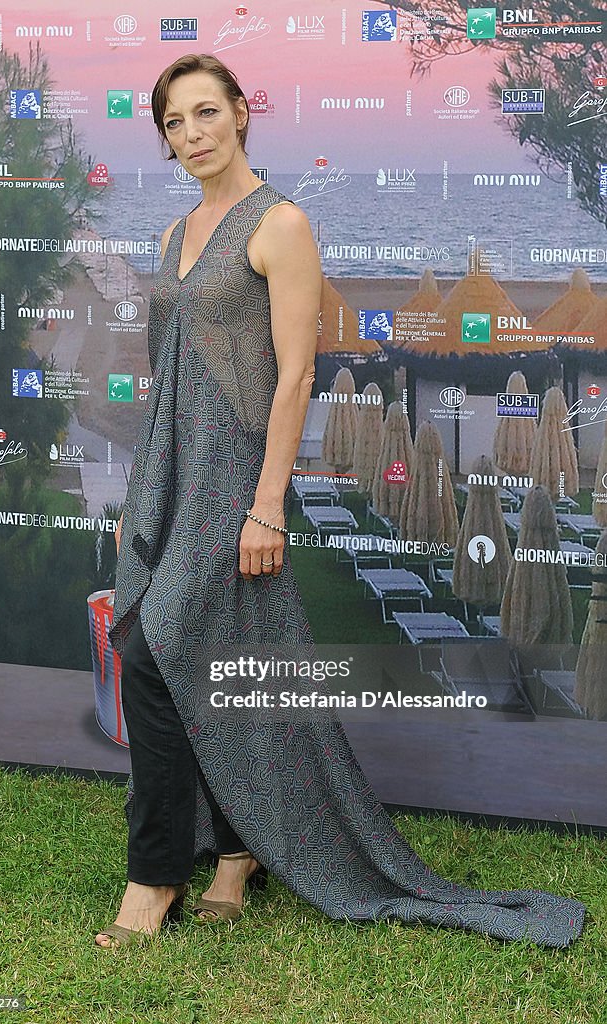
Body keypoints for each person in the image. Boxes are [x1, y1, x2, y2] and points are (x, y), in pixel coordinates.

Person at [95, 53, 586, 949]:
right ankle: (237, 854)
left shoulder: (279, 224)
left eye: (207, 113)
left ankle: (155, 875)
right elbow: (168, 376)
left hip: (236, 475)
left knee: (152, 655)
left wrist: (268, 504)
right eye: (174, 122)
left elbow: (294, 376)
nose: (192, 134)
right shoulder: (178, 236)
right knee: (220, 664)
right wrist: (144, 496)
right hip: (176, 468)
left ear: (243, 113)